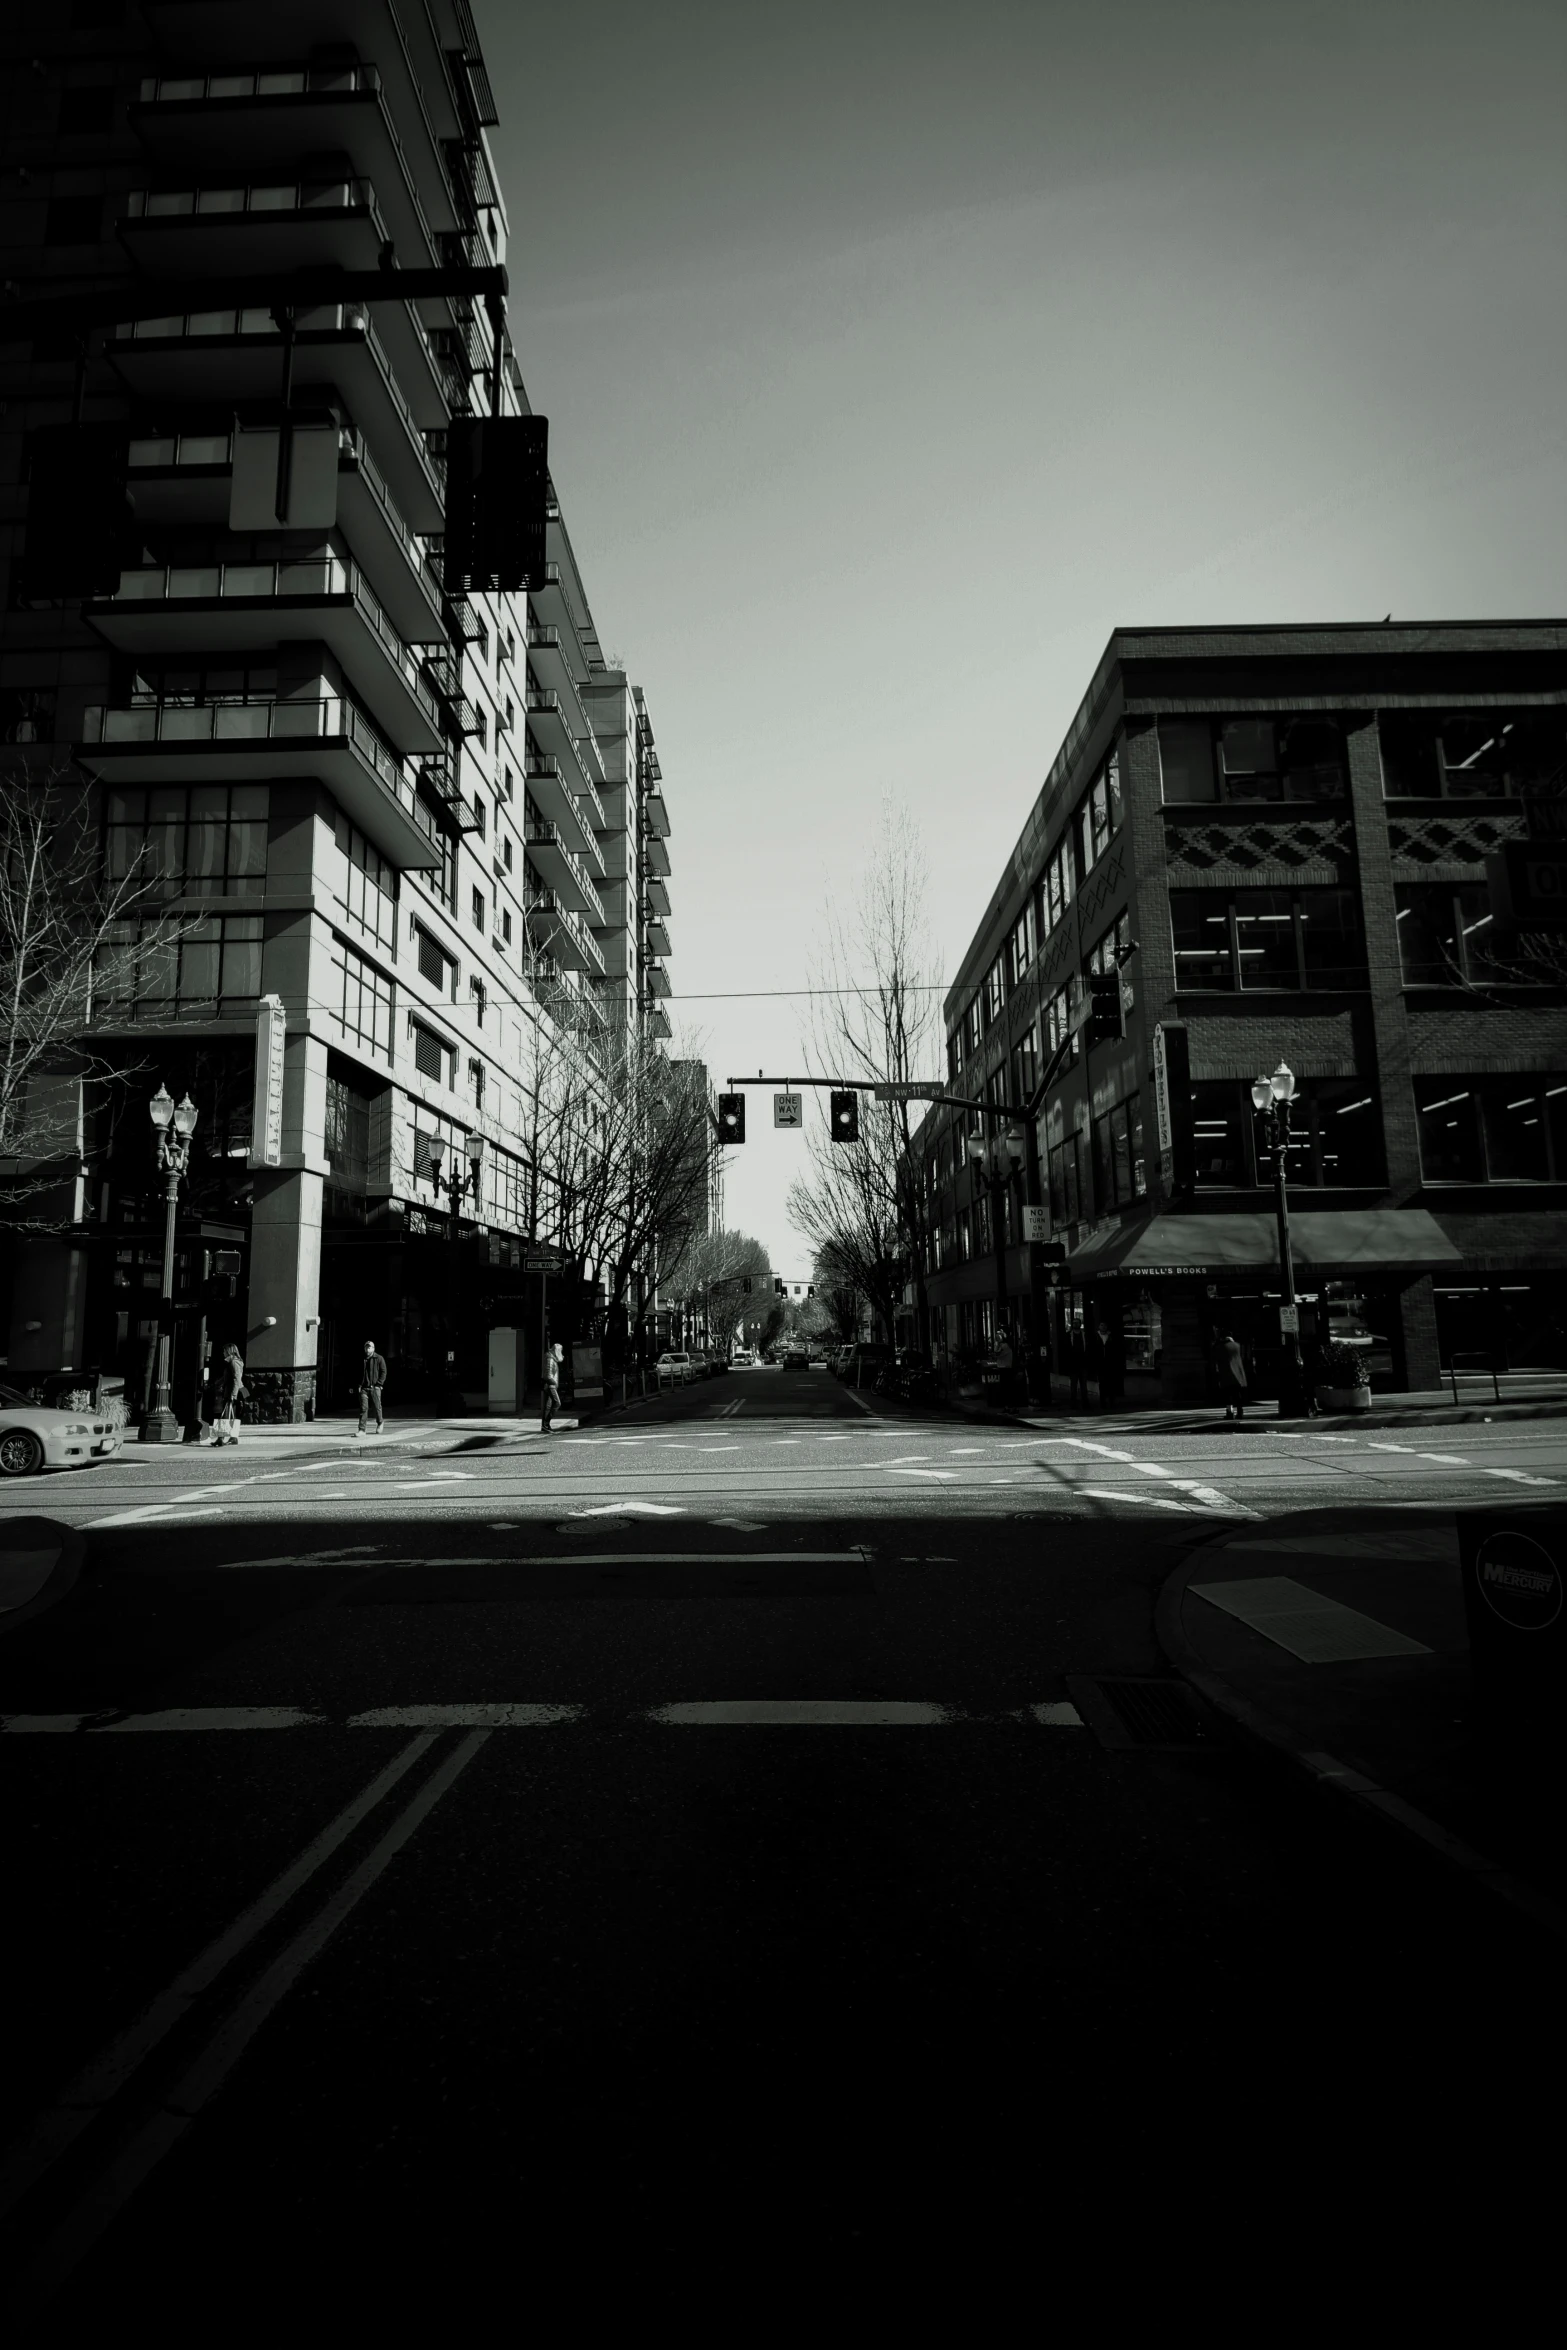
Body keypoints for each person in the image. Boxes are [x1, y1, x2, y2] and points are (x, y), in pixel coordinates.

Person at [212, 1343, 245, 1445]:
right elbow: (228, 1377)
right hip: (232, 1391)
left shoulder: (234, 1362)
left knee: (225, 1415)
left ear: (229, 1351)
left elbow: (236, 1378)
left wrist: (233, 1394)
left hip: (232, 1391)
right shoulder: (231, 1362)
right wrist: (218, 1383)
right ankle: (233, 1437)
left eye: (224, 1351)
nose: (223, 1353)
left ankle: (221, 1438)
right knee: (231, 1415)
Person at [358, 1339, 387, 1434]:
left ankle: (380, 1422)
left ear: (373, 1349)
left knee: (377, 1407)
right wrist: (359, 1385)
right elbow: (357, 1372)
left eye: (369, 1347)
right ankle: (362, 1430)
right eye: (366, 1347)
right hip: (364, 1388)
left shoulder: (379, 1358)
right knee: (363, 1408)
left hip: (375, 1387)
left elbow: (383, 1372)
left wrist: (379, 1384)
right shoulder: (362, 1359)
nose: (367, 1349)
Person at [1220, 1329, 1248, 1420]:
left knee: (1228, 1395)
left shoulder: (1222, 1346)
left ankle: (1230, 1413)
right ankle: (1240, 1412)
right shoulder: (1238, 1346)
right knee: (1238, 1395)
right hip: (1239, 1374)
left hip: (1227, 1374)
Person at [541, 1337, 564, 1431]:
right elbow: (548, 1375)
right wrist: (554, 1383)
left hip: (551, 1385)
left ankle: (546, 1426)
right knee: (557, 1403)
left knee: (548, 1406)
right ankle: (546, 1423)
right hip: (550, 1385)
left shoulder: (552, 1358)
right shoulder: (550, 1359)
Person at [1066, 1321, 1089, 1410]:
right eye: (1074, 1323)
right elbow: (1066, 1349)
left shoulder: (1084, 1335)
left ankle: (1085, 1404)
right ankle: (1073, 1404)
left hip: (1083, 1364)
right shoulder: (1068, 1336)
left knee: (1084, 1386)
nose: (1076, 1324)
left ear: (1080, 1324)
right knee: (1073, 1386)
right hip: (1073, 1365)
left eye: (1077, 1322)